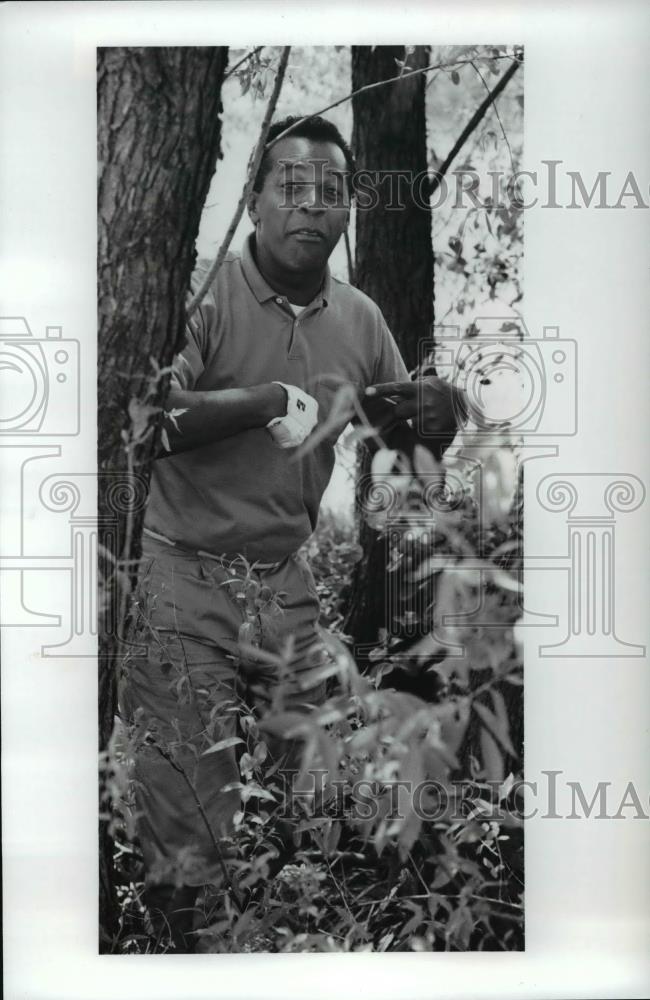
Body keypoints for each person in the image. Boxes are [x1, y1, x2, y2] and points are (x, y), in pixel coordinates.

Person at [121, 114, 463, 950]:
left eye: (331, 193)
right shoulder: (202, 294)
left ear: (347, 211)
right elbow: (144, 419)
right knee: (192, 826)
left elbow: (405, 436)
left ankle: (293, 949)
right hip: (177, 571)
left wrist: (435, 416)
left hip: (283, 581)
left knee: (316, 802)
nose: (311, 207)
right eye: (292, 187)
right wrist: (266, 400)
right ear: (253, 199)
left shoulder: (359, 318)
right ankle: (177, 954)